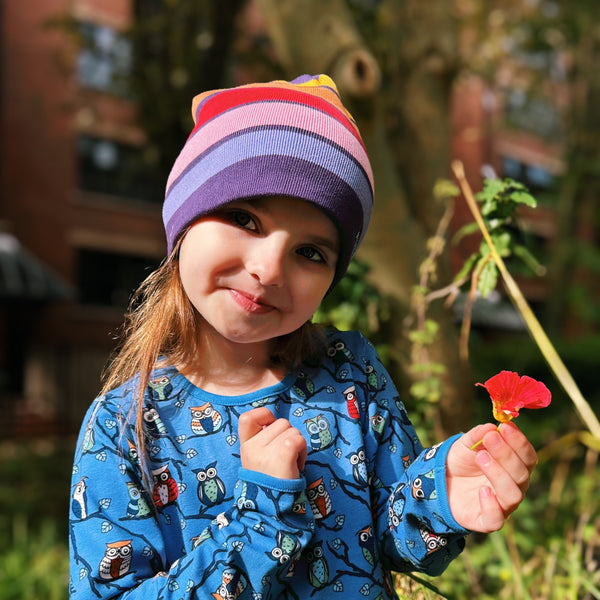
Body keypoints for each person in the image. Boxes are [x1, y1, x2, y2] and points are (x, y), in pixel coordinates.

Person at [68, 74, 537, 599]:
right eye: (244, 218)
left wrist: (442, 495)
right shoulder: (123, 424)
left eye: (311, 252)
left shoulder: (348, 372)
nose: (269, 269)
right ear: (183, 221)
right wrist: (264, 515)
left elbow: (392, 532)